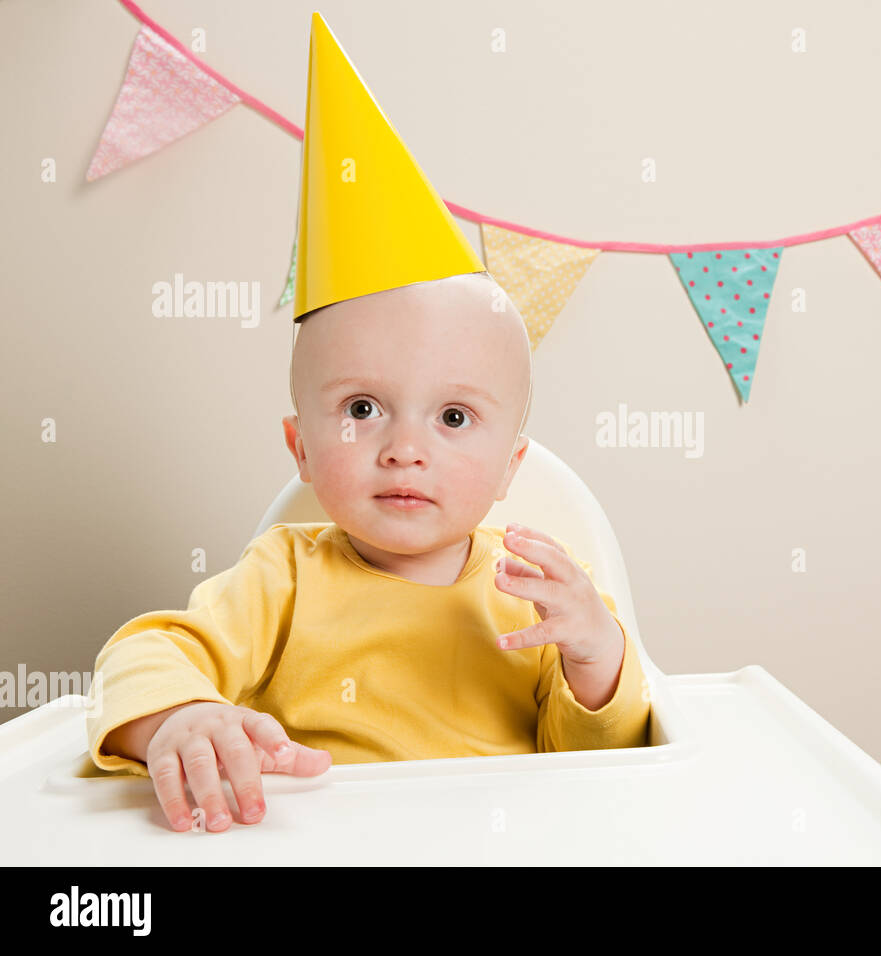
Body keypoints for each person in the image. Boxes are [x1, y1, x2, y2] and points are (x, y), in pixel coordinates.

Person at [85, 11, 650, 834]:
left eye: (454, 416)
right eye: (361, 410)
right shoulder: (279, 580)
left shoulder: (537, 602)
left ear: (510, 468)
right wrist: (176, 720)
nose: (405, 449)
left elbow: (604, 771)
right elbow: (139, 659)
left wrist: (596, 657)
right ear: (301, 448)